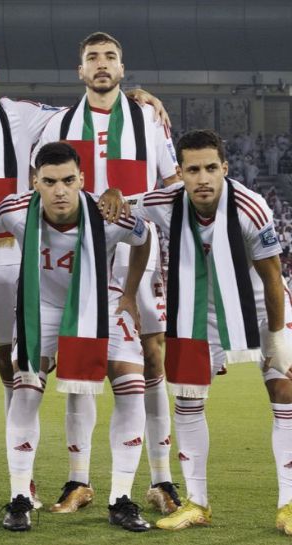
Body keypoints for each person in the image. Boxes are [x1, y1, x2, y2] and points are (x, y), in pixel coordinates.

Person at [0, 39, 167, 508]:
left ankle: (32, 482)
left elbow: (95, 103)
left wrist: (136, 96)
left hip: (8, 256)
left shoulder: (26, 115)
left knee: (15, 365)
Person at [0, 141, 152, 531]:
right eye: (49, 182)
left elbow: (143, 237)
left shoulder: (108, 214)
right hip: (43, 307)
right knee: (26, 389)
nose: (60, 190)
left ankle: (121, 499)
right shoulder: (17, 210)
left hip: (98, 303)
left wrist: (131, 293)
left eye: (68, 180)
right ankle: (20, 497)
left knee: (132, 383)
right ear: (35, 182)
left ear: (82, 179)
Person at [34, 31, 180, 514]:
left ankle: (160, 479)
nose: (101, 64)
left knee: (152, 359)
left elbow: (172, 186)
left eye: (110, 57)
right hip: (78, 258)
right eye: (92, 57)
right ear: (80, 70)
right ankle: (79, 480)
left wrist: (130, 203)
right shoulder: (57, 123)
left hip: (138, 252)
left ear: (122, 67)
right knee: (82, 359)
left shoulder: (148, 119)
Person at [119, 129, 292, 533]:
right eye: (193, 170)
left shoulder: (251, 207)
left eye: (211, 168)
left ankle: (288, 504)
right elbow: (122, 205)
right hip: (196, 313)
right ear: (179, 173)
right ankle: (197, 503)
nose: (203, 178)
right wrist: (112, 194)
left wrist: (276, 338)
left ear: (225, 168)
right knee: (188, 401)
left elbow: (272, 278)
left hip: (258, 308)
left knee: (285, 392)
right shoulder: (163, 202)